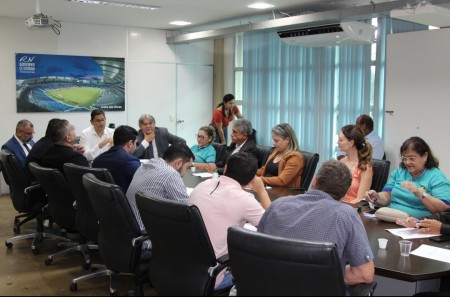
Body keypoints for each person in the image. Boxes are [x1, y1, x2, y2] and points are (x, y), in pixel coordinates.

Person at [258, 160, 375, 286]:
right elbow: (364, 274)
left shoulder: (277, 205)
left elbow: (256, 253)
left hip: (268, 287)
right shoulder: (347, 215)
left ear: (314, 181)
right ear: (345, 194)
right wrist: (325, 273)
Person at [189, 152, 271, 291]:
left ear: (226, 168)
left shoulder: (201, 186)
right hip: (213, 276)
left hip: (183, 266)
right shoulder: (244, 199)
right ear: (252, 180)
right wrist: (262, 191)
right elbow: (272, 226)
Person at [365, 137, 450, 219]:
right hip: (391, 219)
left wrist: (419, 193)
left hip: (418, 224)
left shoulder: (436, 176)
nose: (407, 162)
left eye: (412, 158)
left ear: (425, 156)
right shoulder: (399, 172)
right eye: (404, 158)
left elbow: (443, 209)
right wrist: (377, 197)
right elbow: (387, 197)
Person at [126, 143, 194, 233]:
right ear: (178, 163)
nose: (186, 173)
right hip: (146, 234)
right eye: (188, 167)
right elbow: (186, 212)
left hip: (129, 228)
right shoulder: (171, 174)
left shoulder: (147, 164)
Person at [92, 125, 141, 193]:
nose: (136, 146)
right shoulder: (130, 161)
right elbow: (142, 183)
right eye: (136, 143)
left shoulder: (97, 160)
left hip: (102, 202)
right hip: (125, 202)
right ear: (130, 144)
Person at [256, 123, 304, 188]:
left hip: (283, 193)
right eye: (273, 140)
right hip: (268, 188)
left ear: (287, 140)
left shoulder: (295, 158)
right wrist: (249, 174)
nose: (273, 143)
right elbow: (264, 169)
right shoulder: (276, 152)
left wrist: (258, 179)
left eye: (276, 141)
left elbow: (282, 181)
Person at [337, 125, 373, 204]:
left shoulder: (365, 168)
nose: (338, 142)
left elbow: (360, 199)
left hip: (350, 208)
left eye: (341, 140)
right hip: (337, 205)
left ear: (351, 143)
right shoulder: (342, 162)